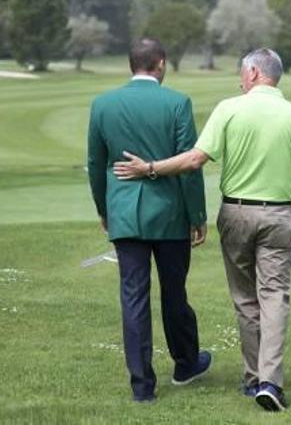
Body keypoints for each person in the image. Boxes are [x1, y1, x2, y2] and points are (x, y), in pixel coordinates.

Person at [114, 48, 291, 412]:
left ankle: (255, 378)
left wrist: (150, 169)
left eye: (242, 73)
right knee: (274, 297)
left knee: (245, 298)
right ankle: (269, 381)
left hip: (237, 213)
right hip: (280, 215)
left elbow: (194, 159)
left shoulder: (229, 109)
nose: (240, 79)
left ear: (253, 73)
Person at [87, 38, 211, 403]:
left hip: (124, 214)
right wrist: (198, 215)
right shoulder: (177, 102)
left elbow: (96, 164)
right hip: (170, 215)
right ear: (160, 63)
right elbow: (189, 165)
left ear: (131, 65)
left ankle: (142, 386)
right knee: (175, 292)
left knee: (133, 298)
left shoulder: (103, 104)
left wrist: (103, 210)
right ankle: (186, 363)